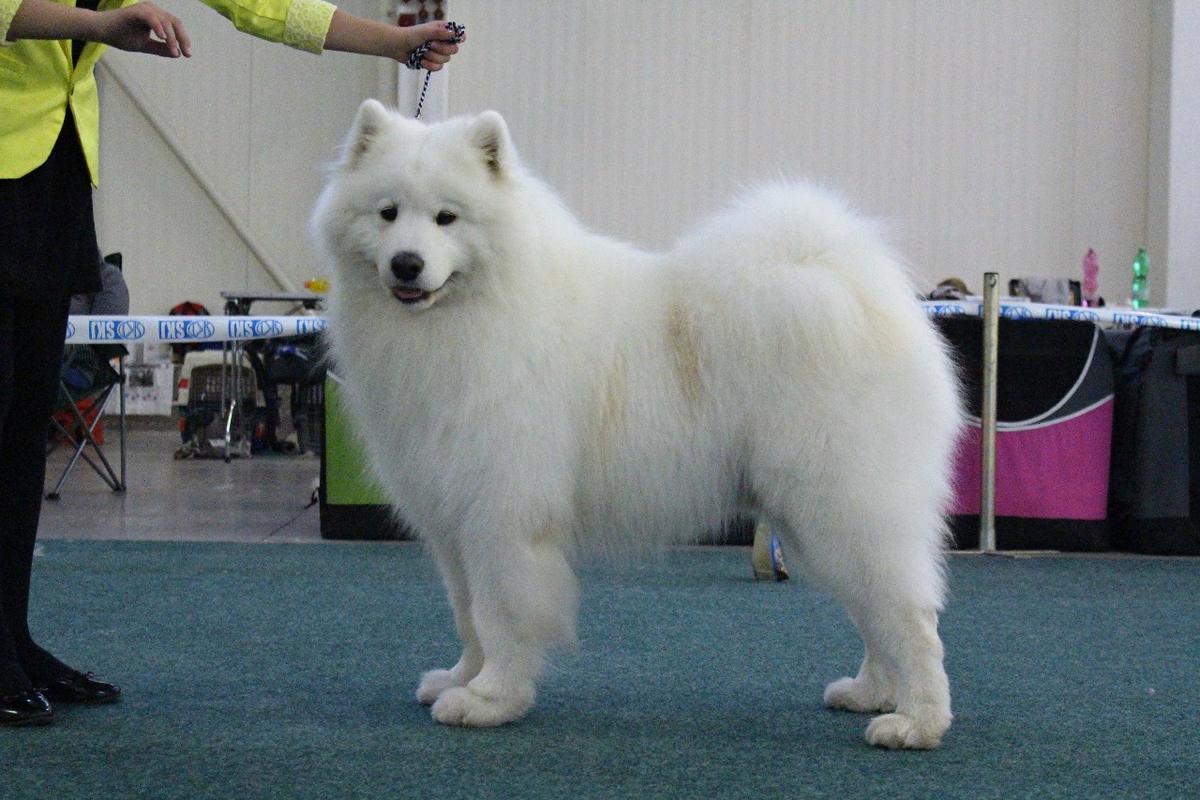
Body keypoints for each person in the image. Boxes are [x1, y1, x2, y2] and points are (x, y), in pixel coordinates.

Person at [0, 0, 463, 727]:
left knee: (26, 427)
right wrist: (94, 25)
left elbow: (265, 5)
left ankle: (14, 641)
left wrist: (399, 43)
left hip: (53, 167)